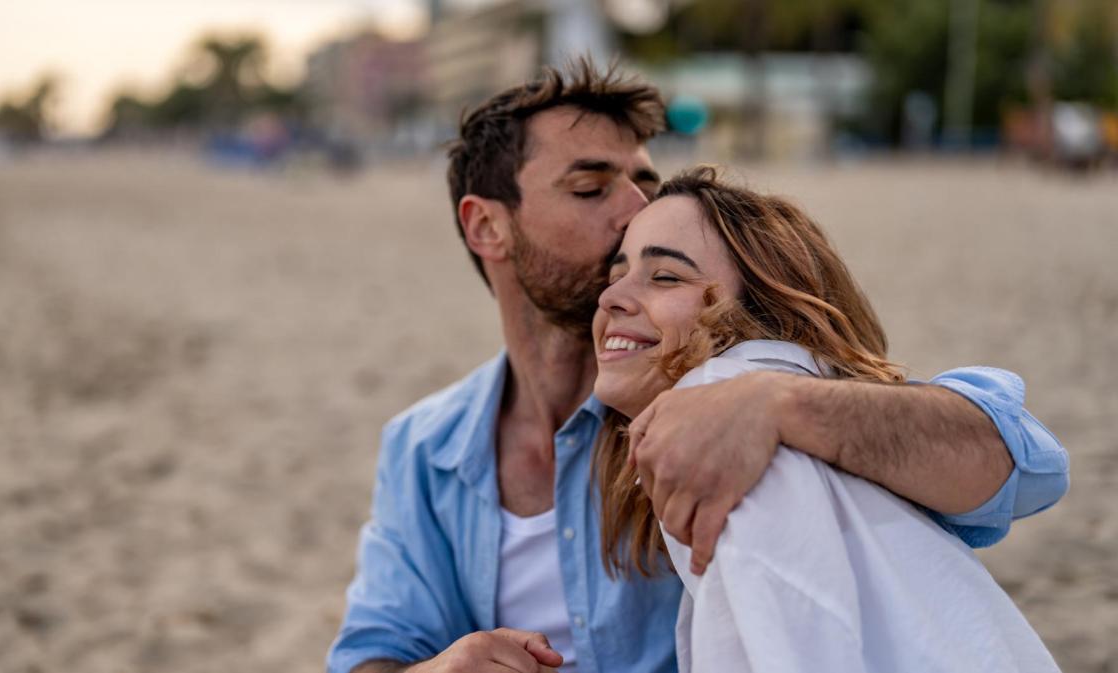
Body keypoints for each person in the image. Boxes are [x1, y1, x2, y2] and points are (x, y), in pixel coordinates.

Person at [327, 61, 1069, 673]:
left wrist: (780, 405)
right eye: (591, 187)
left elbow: (1024, 463)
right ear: (487, 224)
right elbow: (370, 654)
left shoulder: (715, 377)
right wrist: (441, 669)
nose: (633, 208)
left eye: (644, 183)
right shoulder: (424, 447)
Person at [592, 166, 1060, 672]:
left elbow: (1037, 467)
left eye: (666, 276)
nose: (609, 297)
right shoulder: (768, 406)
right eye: (616, 276)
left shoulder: (723, 405)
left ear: (762, 311)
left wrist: (772, 400)